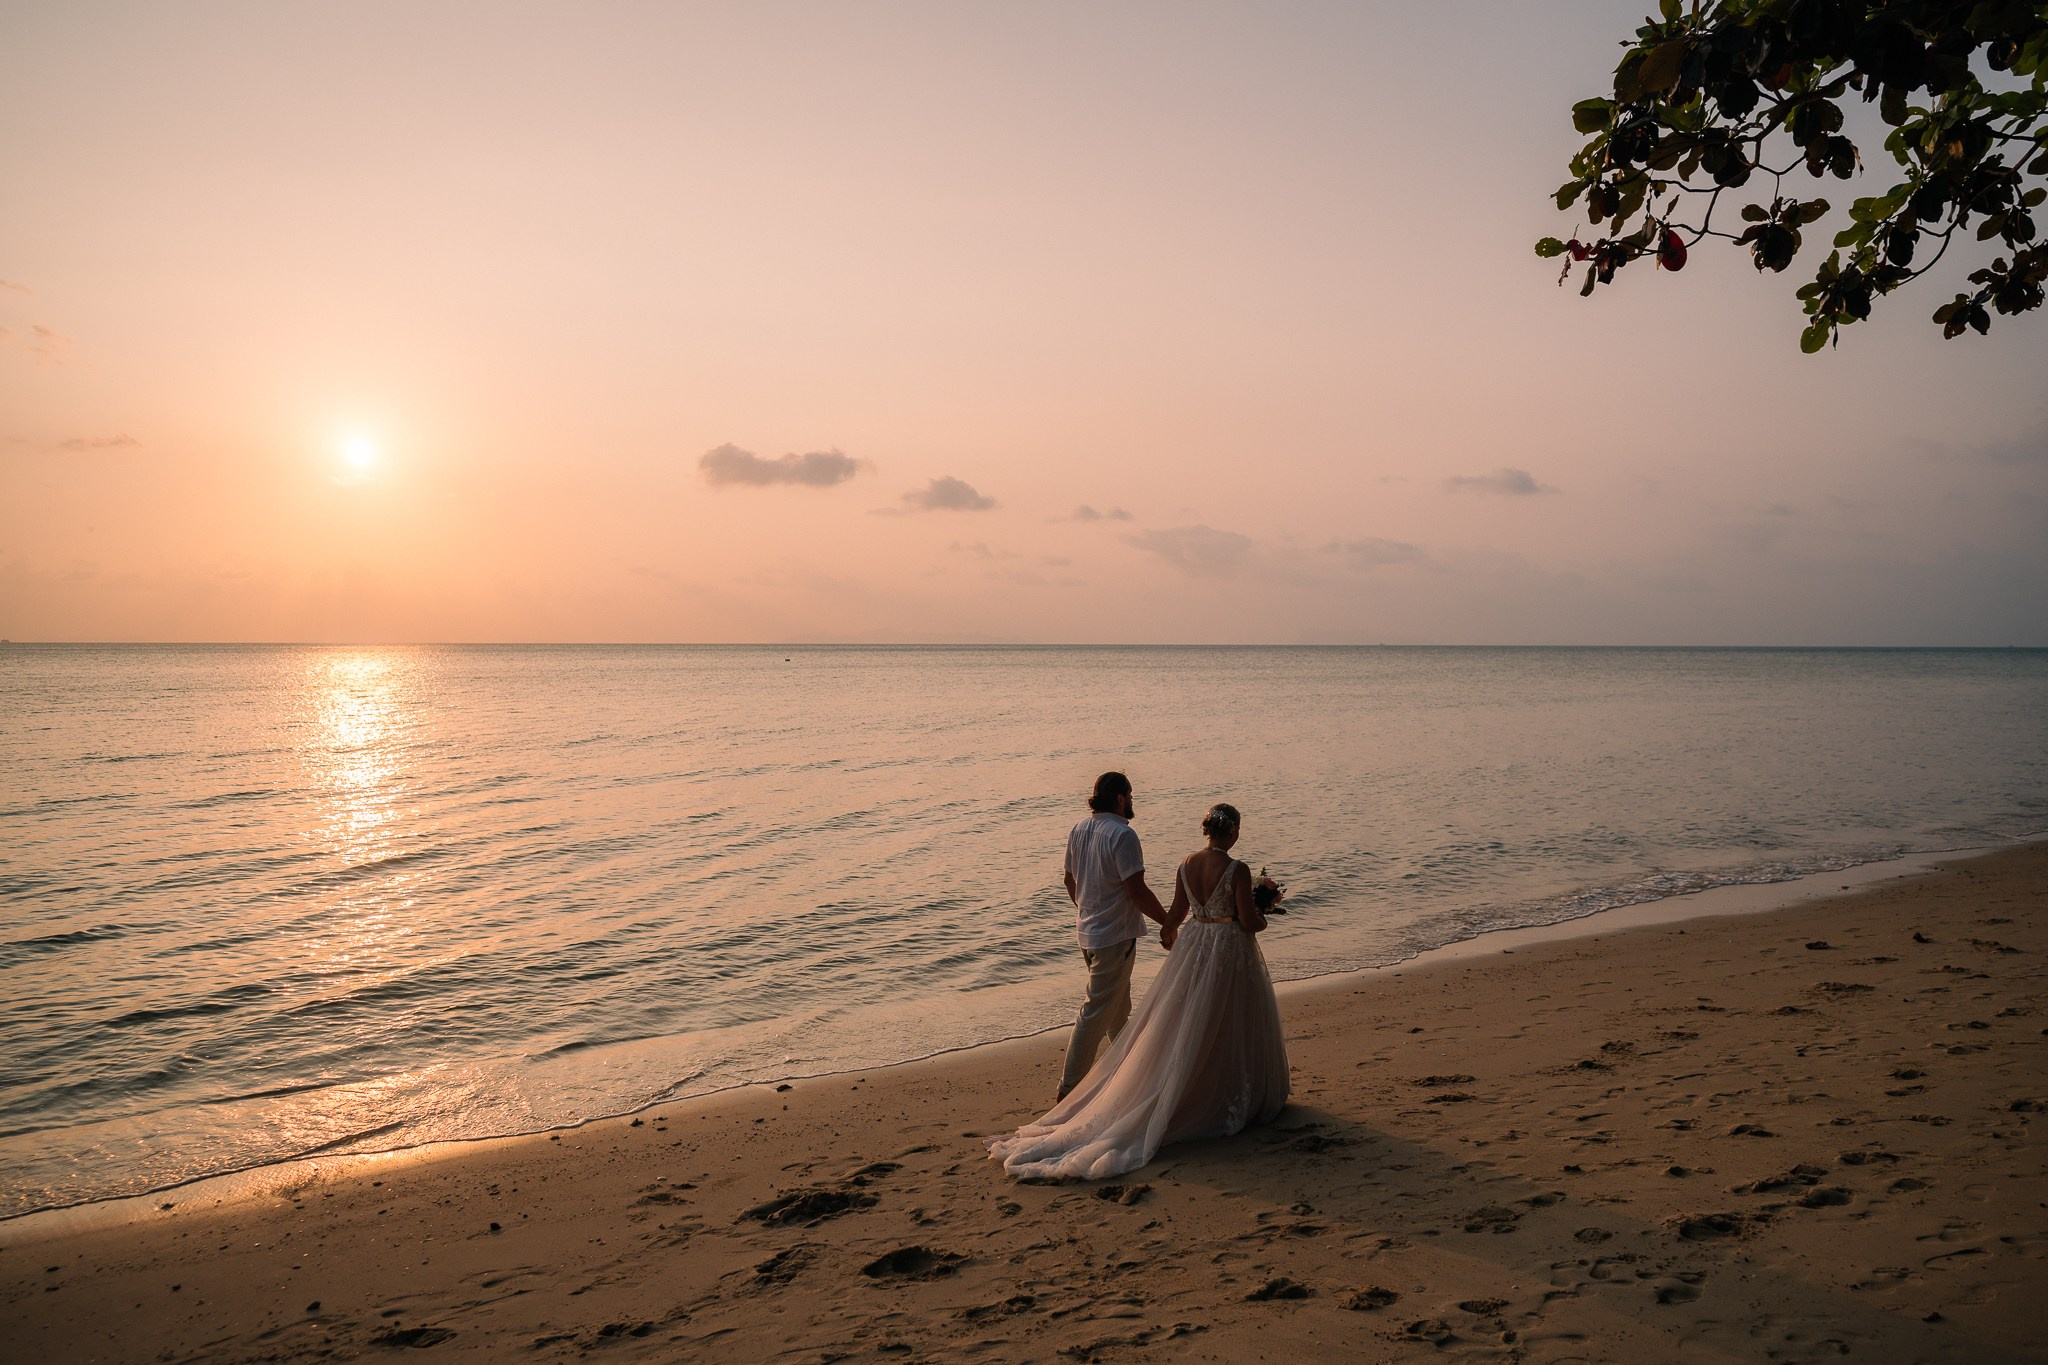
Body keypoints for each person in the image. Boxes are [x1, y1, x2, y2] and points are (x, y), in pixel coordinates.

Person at [989, 801, 1290, 1180]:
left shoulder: (1185, 863)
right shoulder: (1238, 869)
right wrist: (1264, 914)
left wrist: (1169, 931)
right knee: (1228, 1018)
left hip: (1195, 945)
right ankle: (1226, 1093)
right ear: (1233, 832)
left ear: (1206, 830)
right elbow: (1246, 920)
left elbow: (1178, 911)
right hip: (1228, 949)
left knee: (1184, 1019)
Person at [1055, 771, 1168, 1102]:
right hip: (1113, 939)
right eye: (1130, 795)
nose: (1132, 800)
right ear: (1120, 798)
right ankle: (1069, 1090)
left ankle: (1131, 1073)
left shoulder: (1078, 829)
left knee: (1117, 1011)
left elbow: (1068, 880)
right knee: (1094, 1013)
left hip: (1087, 934)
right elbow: (1137, 891)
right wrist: (1167, 922)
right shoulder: (1123, 835)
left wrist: (1088, 908)